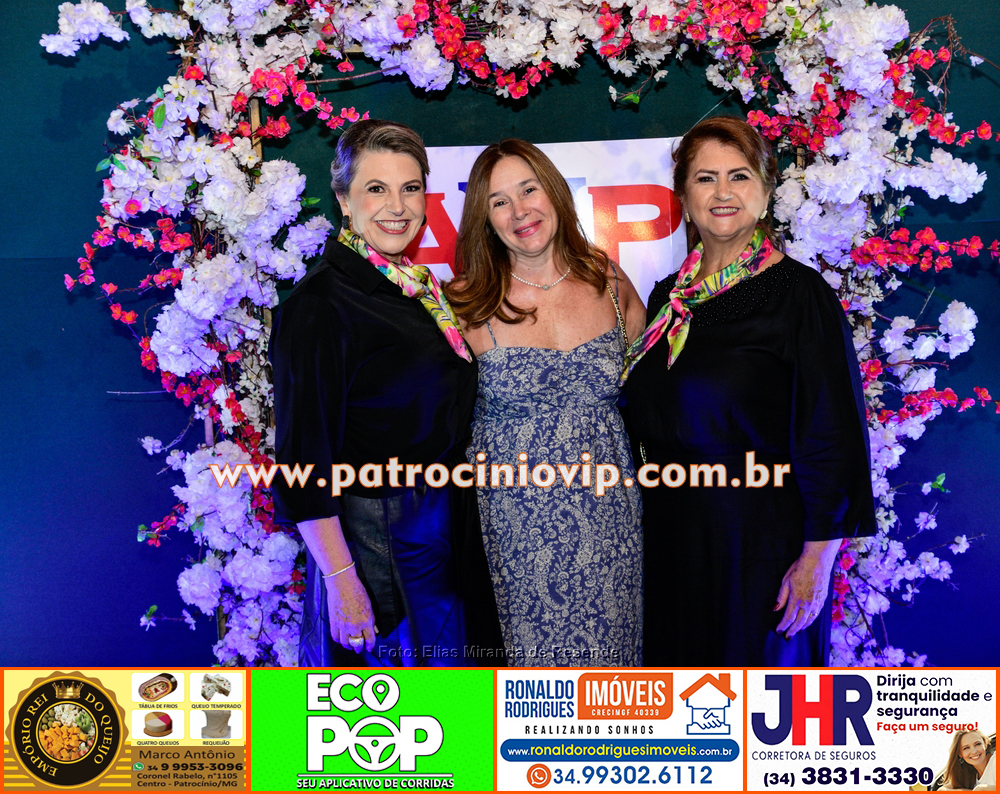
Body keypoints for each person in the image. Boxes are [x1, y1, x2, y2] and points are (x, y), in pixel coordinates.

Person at [623, 116, 876, 667]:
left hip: (761, 545)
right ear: (683, 197)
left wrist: (816, 561)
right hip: (673, 537)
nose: (722, 193)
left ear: (765, 193)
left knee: (754, 701)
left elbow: (832, 434)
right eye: (705, 178)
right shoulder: (668, 299)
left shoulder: (799, 295)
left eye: (739, 176)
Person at [270, 119, 502, 666]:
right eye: (376, 188)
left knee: (452, 703)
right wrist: (344, 585)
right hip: (377, 546)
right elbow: (303, 467)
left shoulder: (412, 289)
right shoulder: (320, 305)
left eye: (410, 188)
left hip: (438, 530)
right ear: (344, 201)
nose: (397, 206)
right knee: (392, 707)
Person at [445, 139, 646, 667]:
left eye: (529, 190)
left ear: (555, 193)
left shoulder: (609, 280)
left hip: (612, 522)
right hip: (514, 530)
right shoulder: (464, 303)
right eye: (499, 201)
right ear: (485, 218)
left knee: (613, 676)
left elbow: (653, 395)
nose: (520, 211)